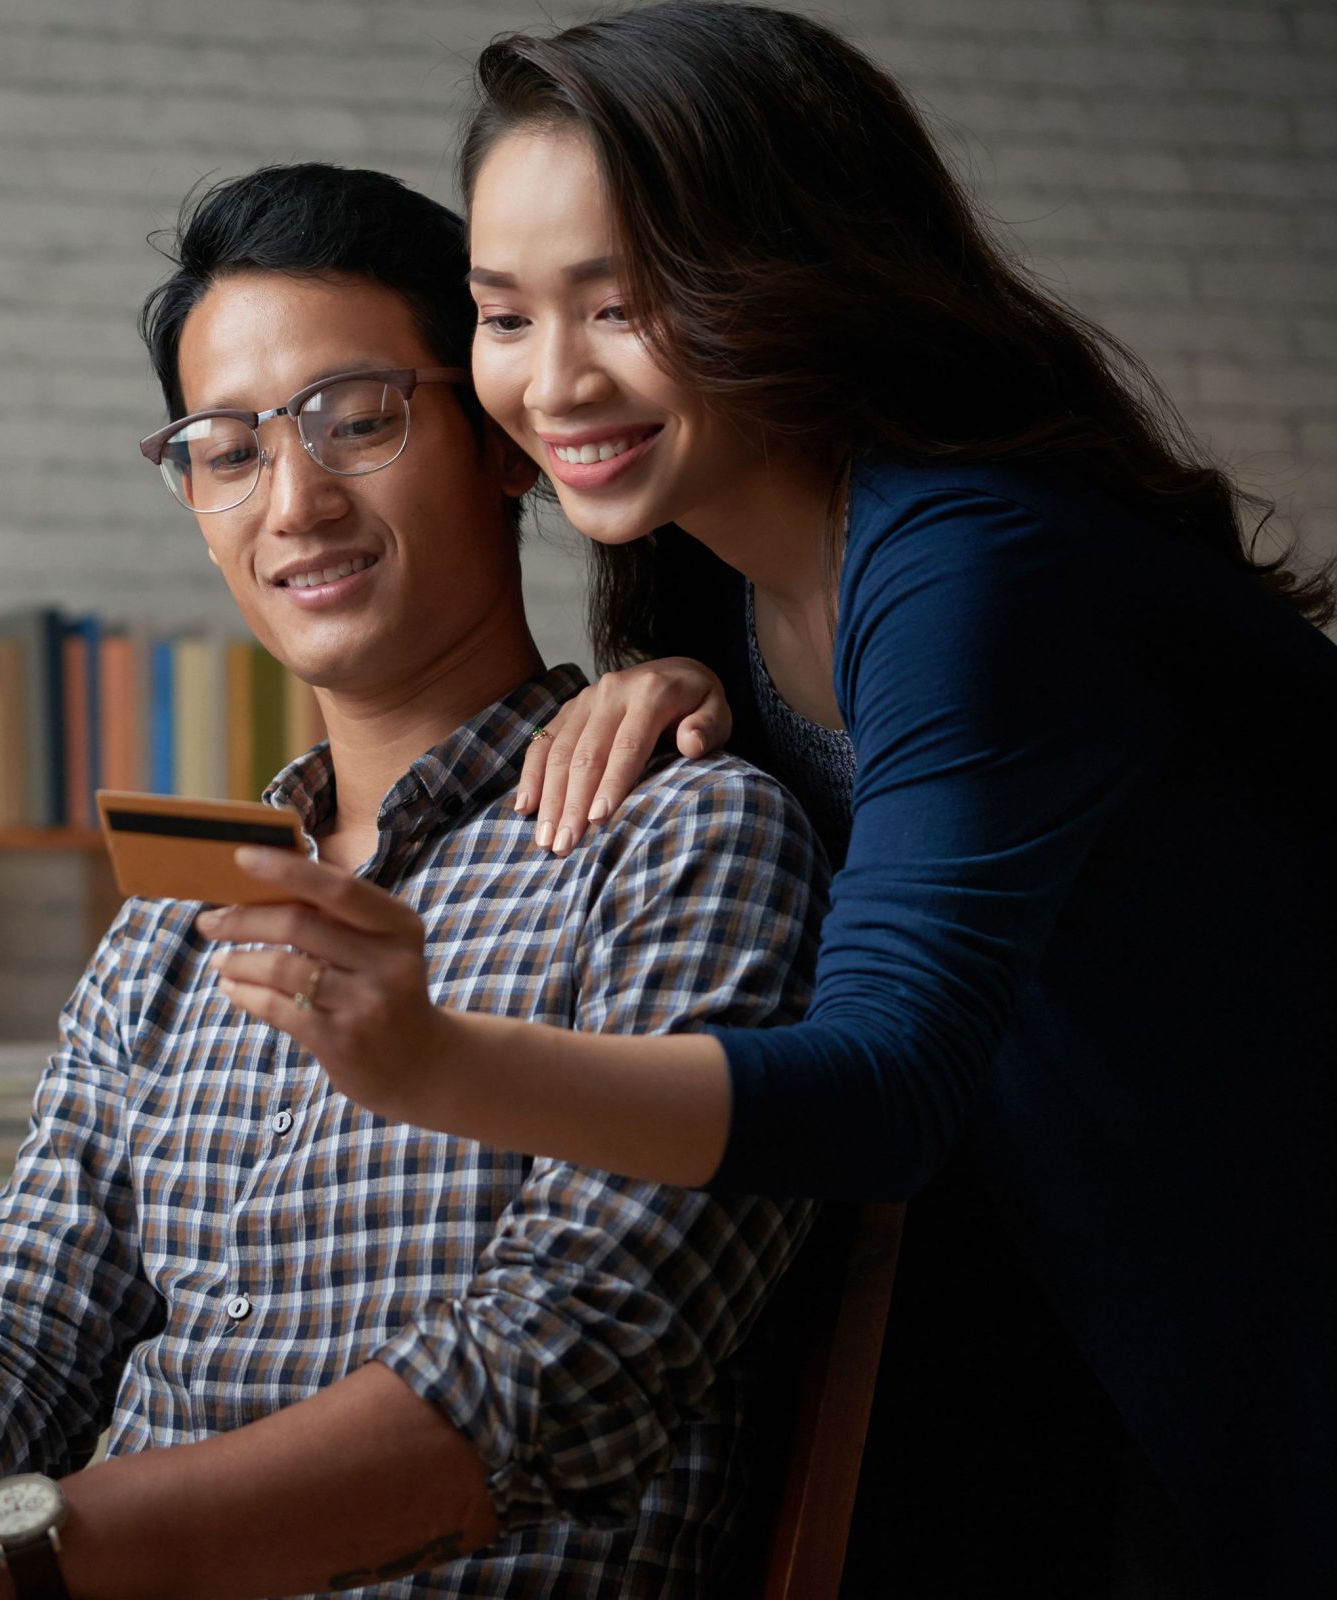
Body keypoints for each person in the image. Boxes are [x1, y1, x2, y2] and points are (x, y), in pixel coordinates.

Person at [211, 7, 1337, 1595]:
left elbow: (885, 1083)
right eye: (506, 316)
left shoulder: (974, 562)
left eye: (627, 304)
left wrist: (438, 1059)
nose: (553, 382)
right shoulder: (709, 563)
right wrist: (688, 685)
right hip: (1071, 1287)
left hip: (1253, 1279)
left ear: (797, 276)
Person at [0, 162, 830, 1600]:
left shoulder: (678, 844)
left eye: (357, 421)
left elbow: (571, 1359)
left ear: (505, 438)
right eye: (225, 451)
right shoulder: (176, 917)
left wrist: (13, 1560)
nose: (294, 501)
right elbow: (19, 1326)